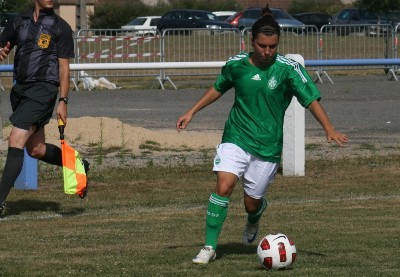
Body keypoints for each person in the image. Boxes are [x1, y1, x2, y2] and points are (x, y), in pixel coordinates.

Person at [176, 5, 349, 264]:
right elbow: (217, 88)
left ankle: (254, 217)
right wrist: (192, 112)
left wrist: (329, 128)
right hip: (236, 135)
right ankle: (209, 247)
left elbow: (311, 100)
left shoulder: (288, 69)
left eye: (273, 46)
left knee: (251, 204)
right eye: (262, 46)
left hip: (267, 145)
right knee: (223, 185)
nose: (267, 51)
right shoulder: (236, 65)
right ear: (252, 41)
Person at [0, 0, 89, 216]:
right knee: (36, 150)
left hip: (44, 90)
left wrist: (63, 101)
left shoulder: (61, 27)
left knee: (16, 138)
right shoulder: (19, 21)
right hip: (20, 91)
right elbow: (3, 44)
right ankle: (78, 164)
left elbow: (64, 69)